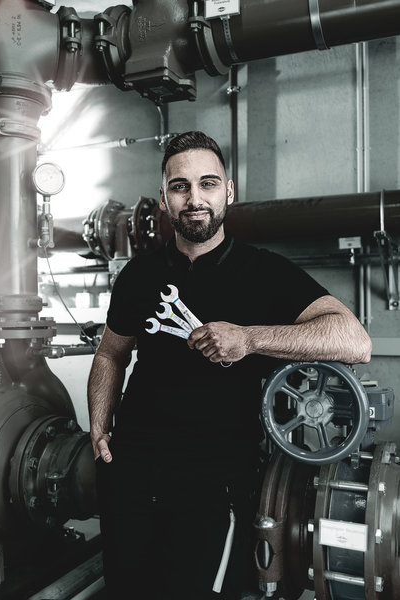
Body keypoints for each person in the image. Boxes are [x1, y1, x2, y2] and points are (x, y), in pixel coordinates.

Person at [87, 131, 372, 600]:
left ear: (229, 191)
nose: (194, 199)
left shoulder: (265, 272)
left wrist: (250, 338)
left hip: (214, 486)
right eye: (180, 186)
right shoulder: (138, 275)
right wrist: (99, 424)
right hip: (131, 475)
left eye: (208, 183)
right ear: (164, 197)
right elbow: (111, 353)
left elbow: (354, 340)